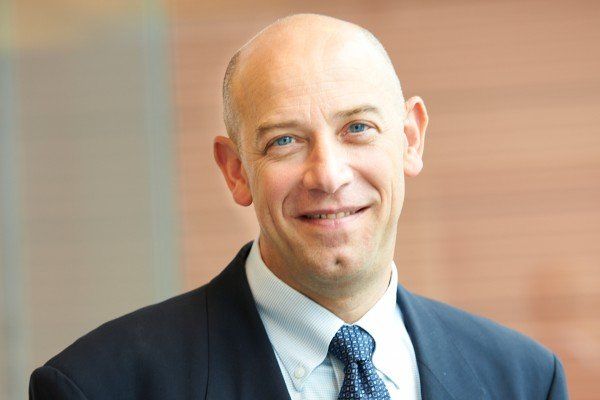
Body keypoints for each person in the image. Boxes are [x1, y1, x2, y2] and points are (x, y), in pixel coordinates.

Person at [29, 14, 568, 400]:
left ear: (410, 138)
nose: (328, 175)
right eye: (284, 140)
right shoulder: (98, 385)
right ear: (235, 170)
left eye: (358, 128)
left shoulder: (524, 380)